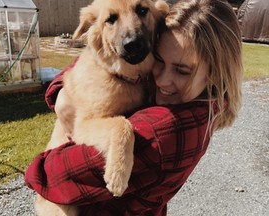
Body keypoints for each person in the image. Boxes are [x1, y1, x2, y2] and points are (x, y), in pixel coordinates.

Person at [25, 0, 243, 215]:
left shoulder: (164, 130)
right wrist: (60, 93)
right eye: (159, 59)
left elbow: (52, 176)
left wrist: (119, 133)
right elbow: (88, 63)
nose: (161, 80)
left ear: (215, 73)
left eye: (183, 71)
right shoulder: (156, 82)